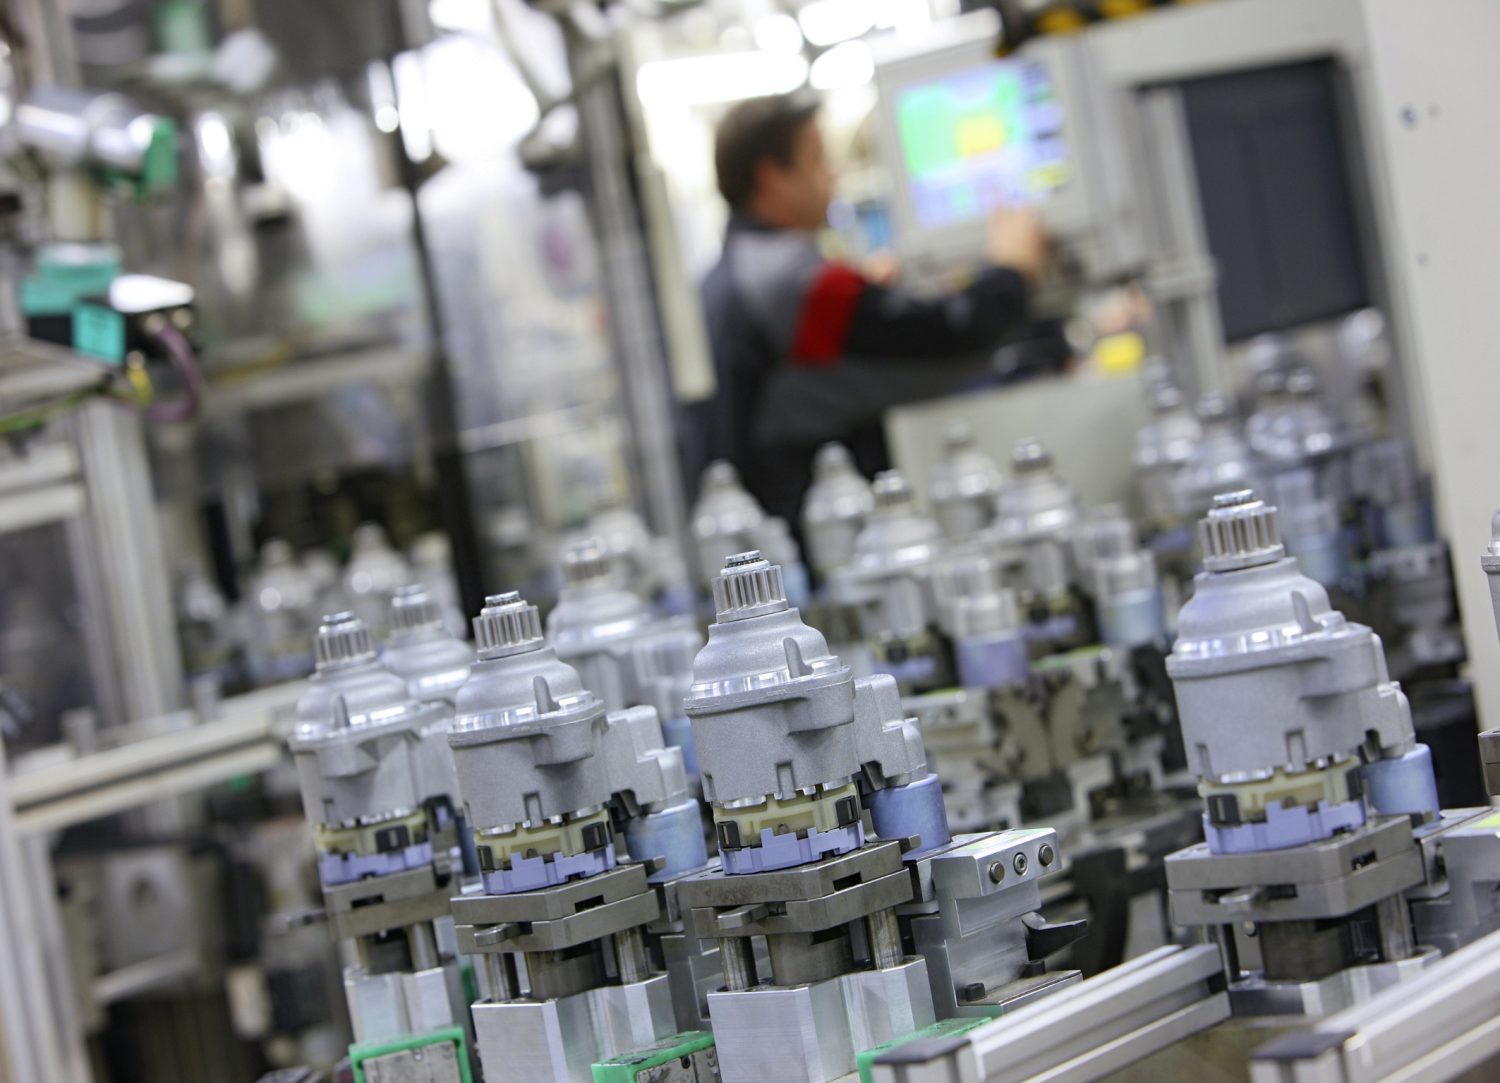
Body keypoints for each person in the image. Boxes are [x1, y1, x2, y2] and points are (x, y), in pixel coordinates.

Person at [691, 91, 1053, 528]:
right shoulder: (795, 280)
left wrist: (867, 296)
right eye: (818, 161)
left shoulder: (734, 272)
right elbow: (945, 340)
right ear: (772, 179)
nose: (833, 175)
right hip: (811, 522)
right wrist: (1011, 272)